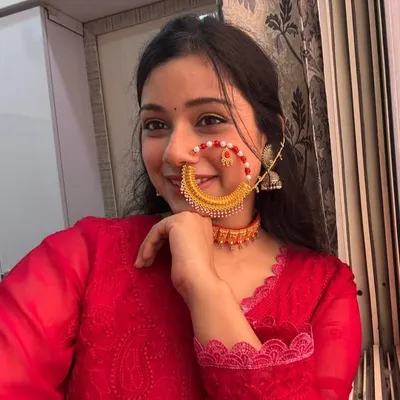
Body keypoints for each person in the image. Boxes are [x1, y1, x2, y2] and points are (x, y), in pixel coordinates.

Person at [0, 14, 361, 400]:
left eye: (210, 119)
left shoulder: (325, 289)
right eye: (155, 125)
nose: (174, 153)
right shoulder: (83, 255)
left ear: (269, 134)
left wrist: (202, 286)